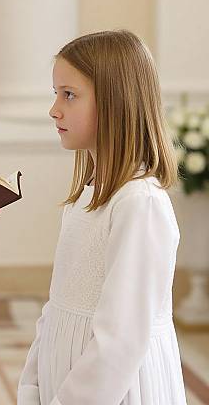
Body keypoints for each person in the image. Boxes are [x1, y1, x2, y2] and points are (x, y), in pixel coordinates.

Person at [18, 30, 187, 404]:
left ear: (115, 102)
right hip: (66, 376)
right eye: (55, 94)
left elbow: (122, 338)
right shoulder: (89, 196)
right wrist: (31, 387)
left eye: (69, 95)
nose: (54, 109)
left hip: (113, 390)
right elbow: (56, 305)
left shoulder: (139, 203)